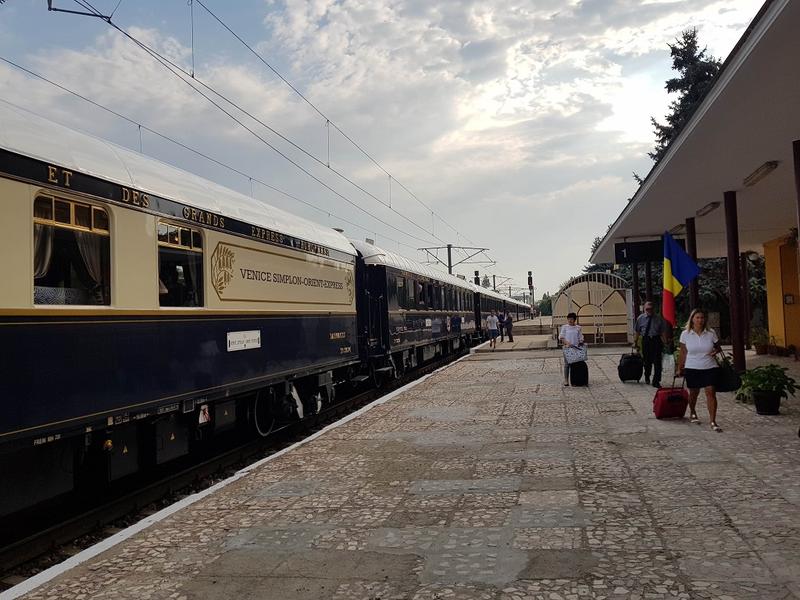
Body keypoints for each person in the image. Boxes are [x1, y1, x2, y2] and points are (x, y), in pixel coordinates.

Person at [677, 308, 723, 432]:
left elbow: (718, 347)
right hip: (692, 366)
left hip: (709, 366)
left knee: (710, 391)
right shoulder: (685, 334)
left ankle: (713, 421)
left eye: (702, 318)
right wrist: (679, 367)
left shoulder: (710, 332)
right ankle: (692, 411)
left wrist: (715, 351)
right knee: (694, 393)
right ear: (692, 319)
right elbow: (683, 352)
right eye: (697, 317)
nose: (700, 320)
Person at [634, 300, 671, 388]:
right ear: (644, 309)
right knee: (647, 361)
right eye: (647, 309)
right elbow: (637, 332)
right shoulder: (640, 318)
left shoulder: (659, 319)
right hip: (646, 340)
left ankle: (656, 381)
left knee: (657, 362)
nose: (649, 310)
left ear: (653, 309)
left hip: (656, 340)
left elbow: (662, 332)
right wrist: (635, 342)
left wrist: (665, 342)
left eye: (651, 309)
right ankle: (647, 375)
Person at [559, 312, 584, 386]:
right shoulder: (565, 327)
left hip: (576, 348)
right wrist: (567, 343)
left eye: (571, 319)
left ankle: (575, 381)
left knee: (575, 364)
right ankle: (566, 380)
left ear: (574, 320)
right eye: (569, 319)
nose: (570, 320)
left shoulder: (578, 328)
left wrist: (581, 341)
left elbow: (580, 337)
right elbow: (561, 337)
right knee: (567, 364)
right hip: (567, 348)